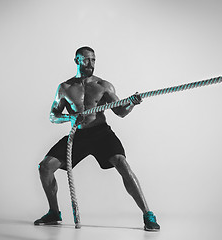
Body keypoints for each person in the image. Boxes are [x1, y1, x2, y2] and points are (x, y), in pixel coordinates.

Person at [34, 46, 160, 231]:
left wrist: (131, 104)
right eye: (86, 59)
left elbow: (120, 112)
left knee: (121, 163)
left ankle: (148, 214)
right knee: (44, 167)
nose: (90, 63)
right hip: (78, 135)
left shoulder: (103, 86)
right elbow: (53, 116)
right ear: (76, 60)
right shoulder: (65, 88)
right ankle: (54, 212)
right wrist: (70, 117)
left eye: (93, 60)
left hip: (101, 133)